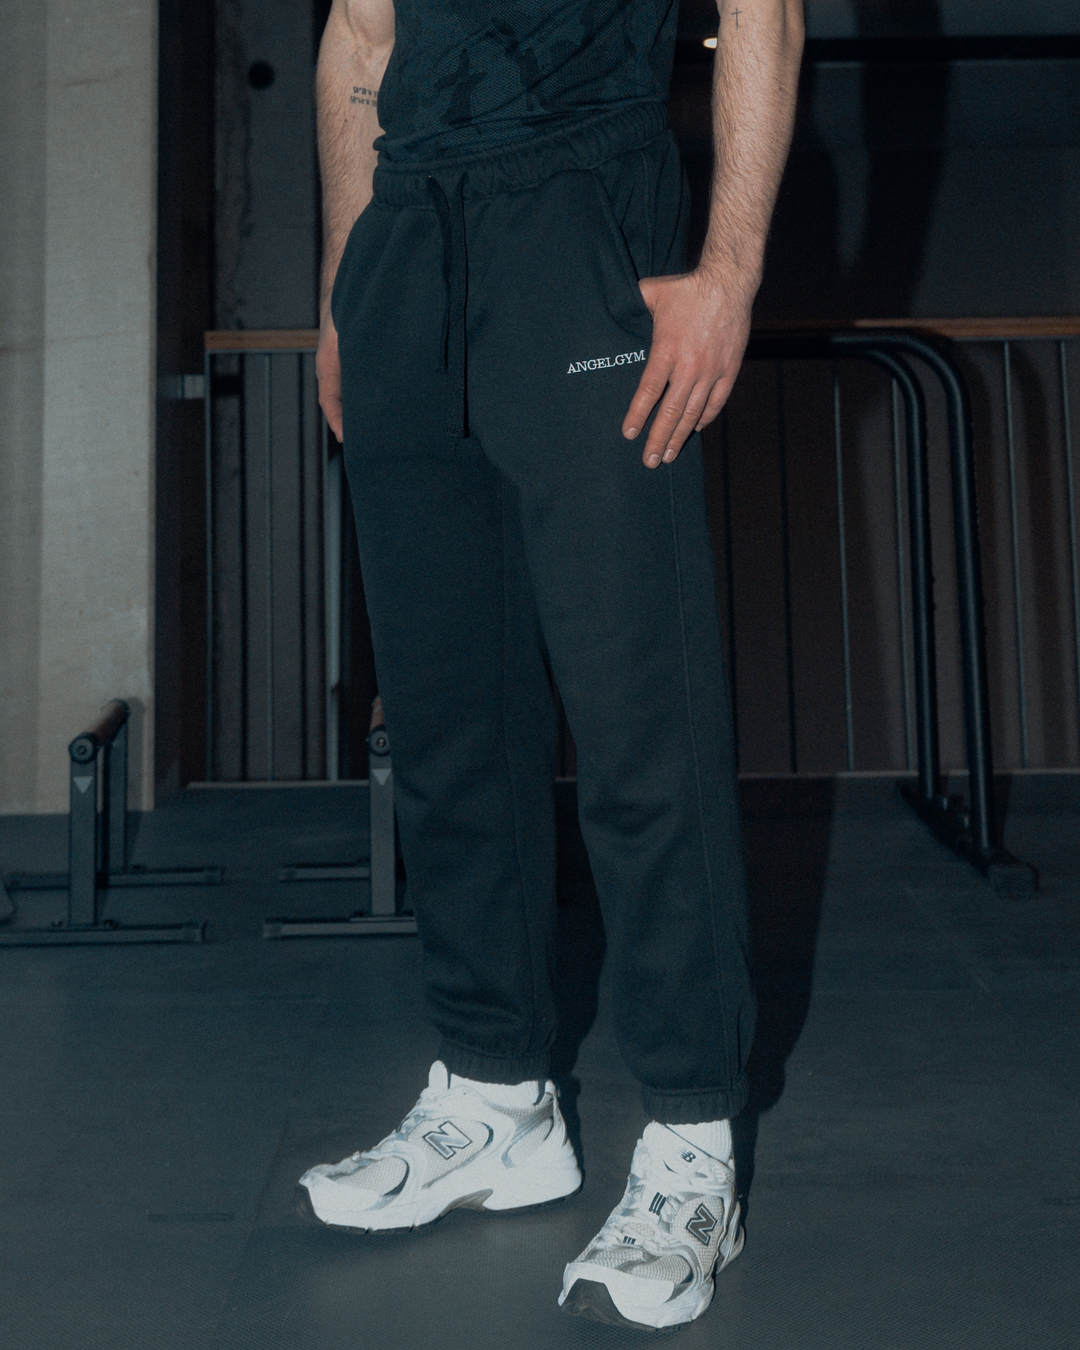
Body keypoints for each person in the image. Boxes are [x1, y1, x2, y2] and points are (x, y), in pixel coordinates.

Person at [298, 0, 803, 1330]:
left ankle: (693, 1136)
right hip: (409, 239)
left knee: (642, 721)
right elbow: (360, 35)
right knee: (449, 720)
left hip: (585, 210)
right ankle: (494, 1091)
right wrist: (345, 287)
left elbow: (763, 8)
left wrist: (728, 274)